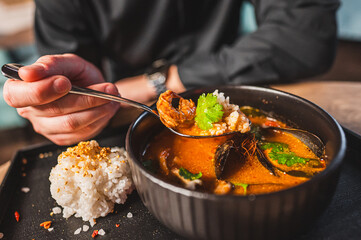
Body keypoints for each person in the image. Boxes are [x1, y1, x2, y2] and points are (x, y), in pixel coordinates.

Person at [3, 0, 339, 145]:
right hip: (117, 114)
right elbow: (68, 83)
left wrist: (159, 82)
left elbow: (303, 37)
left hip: (231, 88)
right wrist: (62, 105)